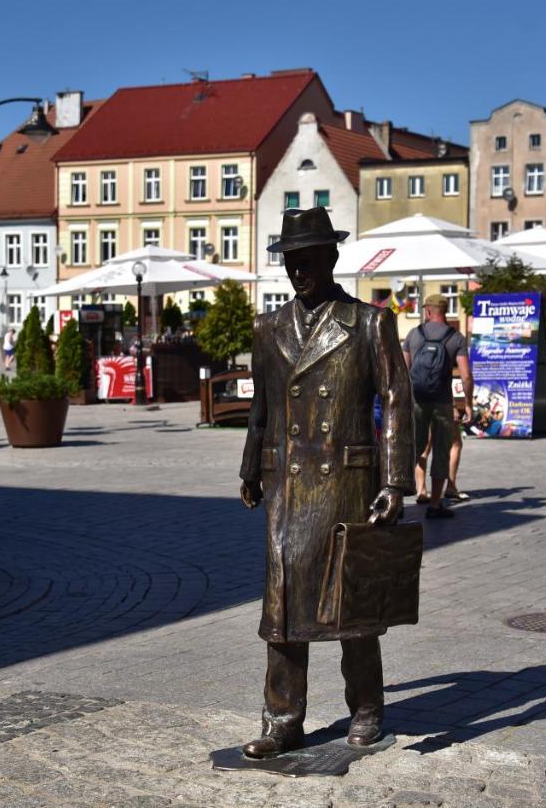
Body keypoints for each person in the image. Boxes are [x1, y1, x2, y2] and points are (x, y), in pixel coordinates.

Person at [239, 207, 414, 759]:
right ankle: (283, 717)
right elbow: (261, 407)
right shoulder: (267, 329)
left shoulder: (368, 322)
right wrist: (249, 468)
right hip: (287, 487)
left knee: (350, 601)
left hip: (346, 480)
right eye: (292, 262)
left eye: (309, 260)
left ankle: (366, 706)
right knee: (283, 608)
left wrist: (396, 480)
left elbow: (396, 400)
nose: (299, 272)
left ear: (332, 257)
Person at [403, 295, 473, 519]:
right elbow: (466, 375)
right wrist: (468, 404)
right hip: (442, 402)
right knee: (442, 450)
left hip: (416, 401)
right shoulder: (456, 338)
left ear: (427, 310)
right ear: (445, 311)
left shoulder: (414, 335)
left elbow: (403, 371)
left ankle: (396, 502)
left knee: (413, 449)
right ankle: (435, 505)